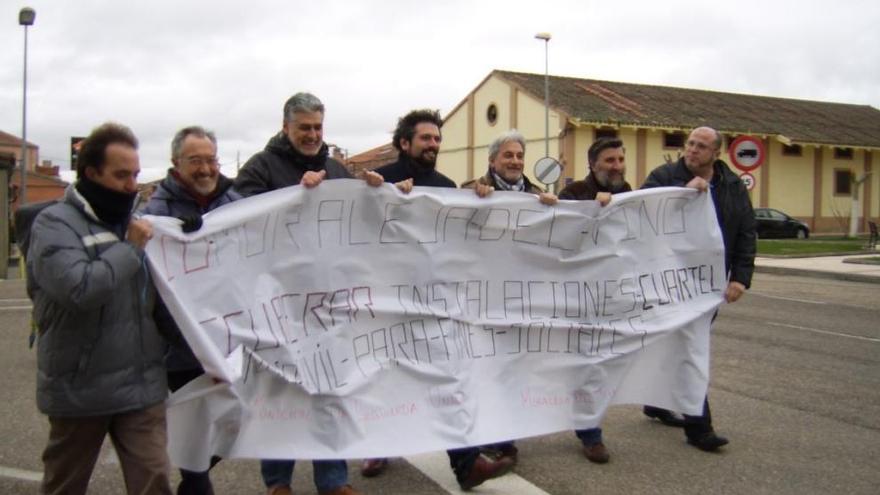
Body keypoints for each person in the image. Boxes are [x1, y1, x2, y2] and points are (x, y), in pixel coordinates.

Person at [367, 109, 516, 490]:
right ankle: (376, 444)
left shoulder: (448, 186)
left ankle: (466, 464)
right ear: (405, 143)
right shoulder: (378, 180)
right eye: (425, 138)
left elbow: (464, 238)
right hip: (386, 298)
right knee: (384, 377)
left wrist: (482, 201)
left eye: (437, 138)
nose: (433, 144)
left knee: (449, 378)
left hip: (434, 300)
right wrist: (378, 197)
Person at [27, 122, 172, 495]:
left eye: (136, 174)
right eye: (122, 175)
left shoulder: (139, 222)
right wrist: (129, 249)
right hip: (81, 389)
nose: (132, 185)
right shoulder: (54, 225)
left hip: (141, 386)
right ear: (91, 173)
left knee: (154, 478)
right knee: (65, 484)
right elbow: (80, 289)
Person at [234, 92, 362, 495]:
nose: (312, 135)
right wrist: (293, 196)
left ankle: (334, 480)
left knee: (329, 388)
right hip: (276, 301)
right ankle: (278, 482)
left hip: (327, 301)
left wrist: (376, 191)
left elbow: (360, 222)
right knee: (280, 390)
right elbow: (240, 216)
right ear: (285, 125)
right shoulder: (259, 168)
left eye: (318, 127)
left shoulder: (338, 169)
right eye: (304, 127)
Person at [640, 126, 756, 452]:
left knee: (681, 346)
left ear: (715, 154)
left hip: (709, 285)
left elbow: (746, 231)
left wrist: (740, 278)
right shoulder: (664, 176)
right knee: (691, 348)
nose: (692, 150)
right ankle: (699, 427)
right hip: (668, 280)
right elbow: (640, 213)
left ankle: (656, 402)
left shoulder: (732, 186)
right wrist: (681, 193)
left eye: (701, 146)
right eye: (690, 143)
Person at [143, 126, 242, 494]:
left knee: (236, 427)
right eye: (195, 160)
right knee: (196, 446)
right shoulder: (157, 214)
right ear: (176, 164)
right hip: (184, 353)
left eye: (210, 160)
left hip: (232, 347)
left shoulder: (235, 203)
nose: (205, 169)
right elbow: (155, 295)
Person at [558, 136, 632, 463]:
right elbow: (560, 238)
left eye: (620, 160)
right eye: (609, 161)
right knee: (542, 362)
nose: (616, 166)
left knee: (594, 366)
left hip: (610, 298)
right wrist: (592, 212)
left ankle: (590, 433)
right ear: (592, 164)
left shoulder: (630, 194)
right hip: (572, 298)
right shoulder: (573, 194)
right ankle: (512, 432)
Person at [461, 128, 557, 207]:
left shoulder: (538, 194)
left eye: (520, 156)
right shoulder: (470, 190)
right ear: (492, 161)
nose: (515, 162)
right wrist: (474, 198)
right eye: (508, 155)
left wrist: (552, 206)